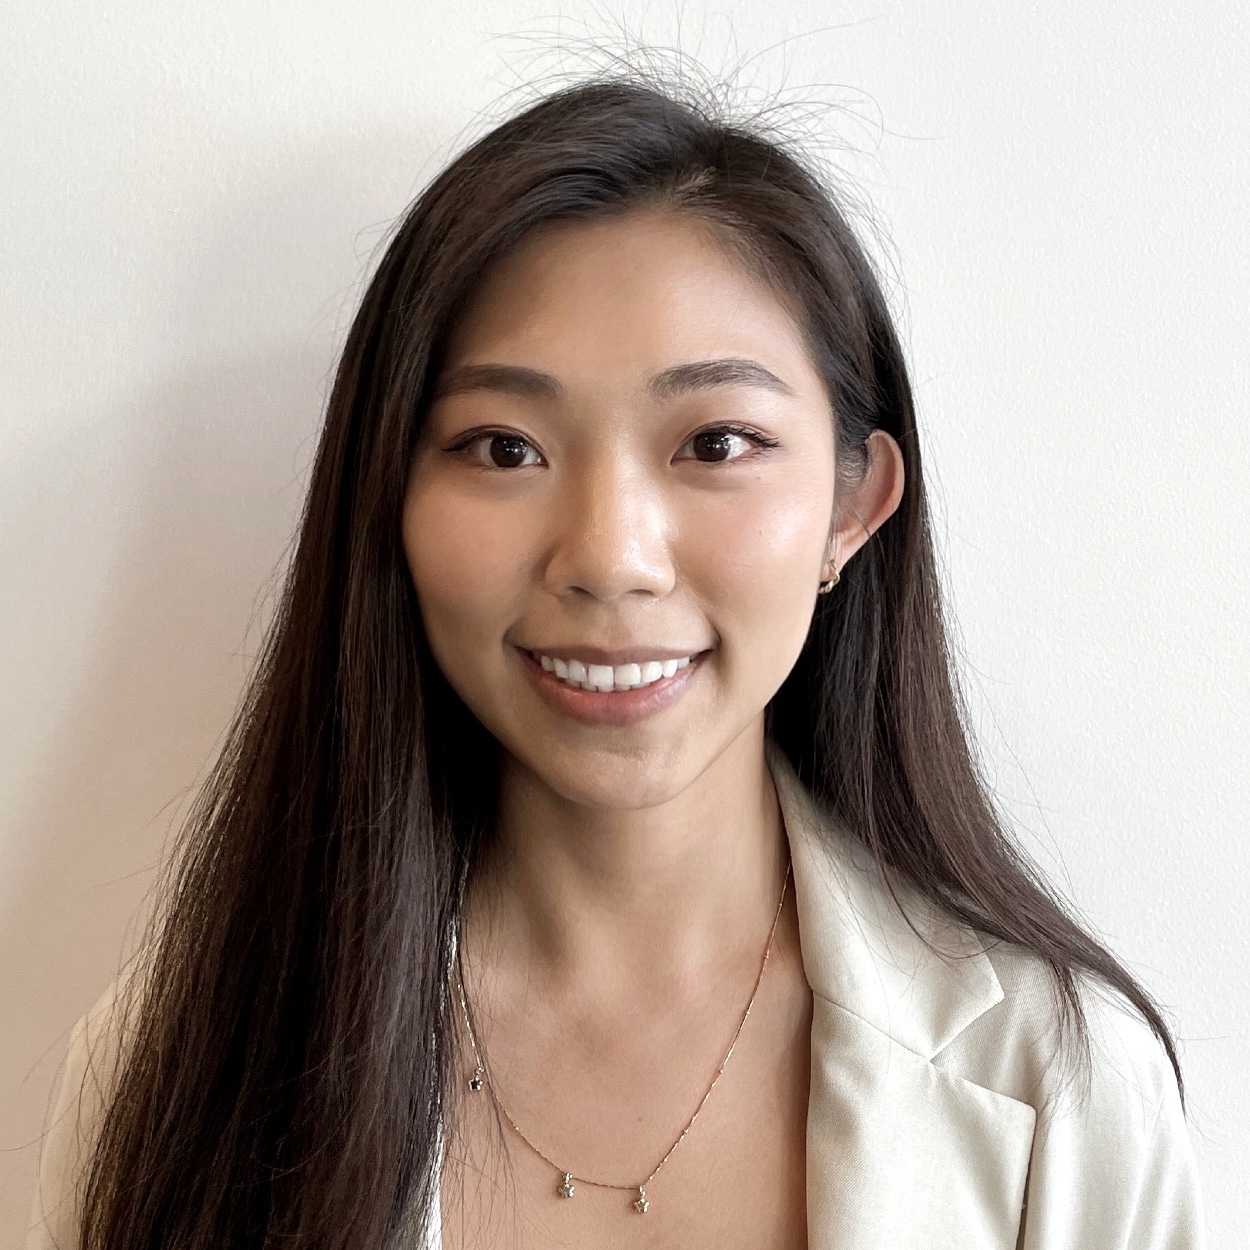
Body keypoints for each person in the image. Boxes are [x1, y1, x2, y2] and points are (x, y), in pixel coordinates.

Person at [27, 75, 1204, 1250]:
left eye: (715, 443)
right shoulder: (172, 1079)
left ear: (852, 507)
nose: (607, 559)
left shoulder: (1064, 1087)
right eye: (503, 447)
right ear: (386, 498)